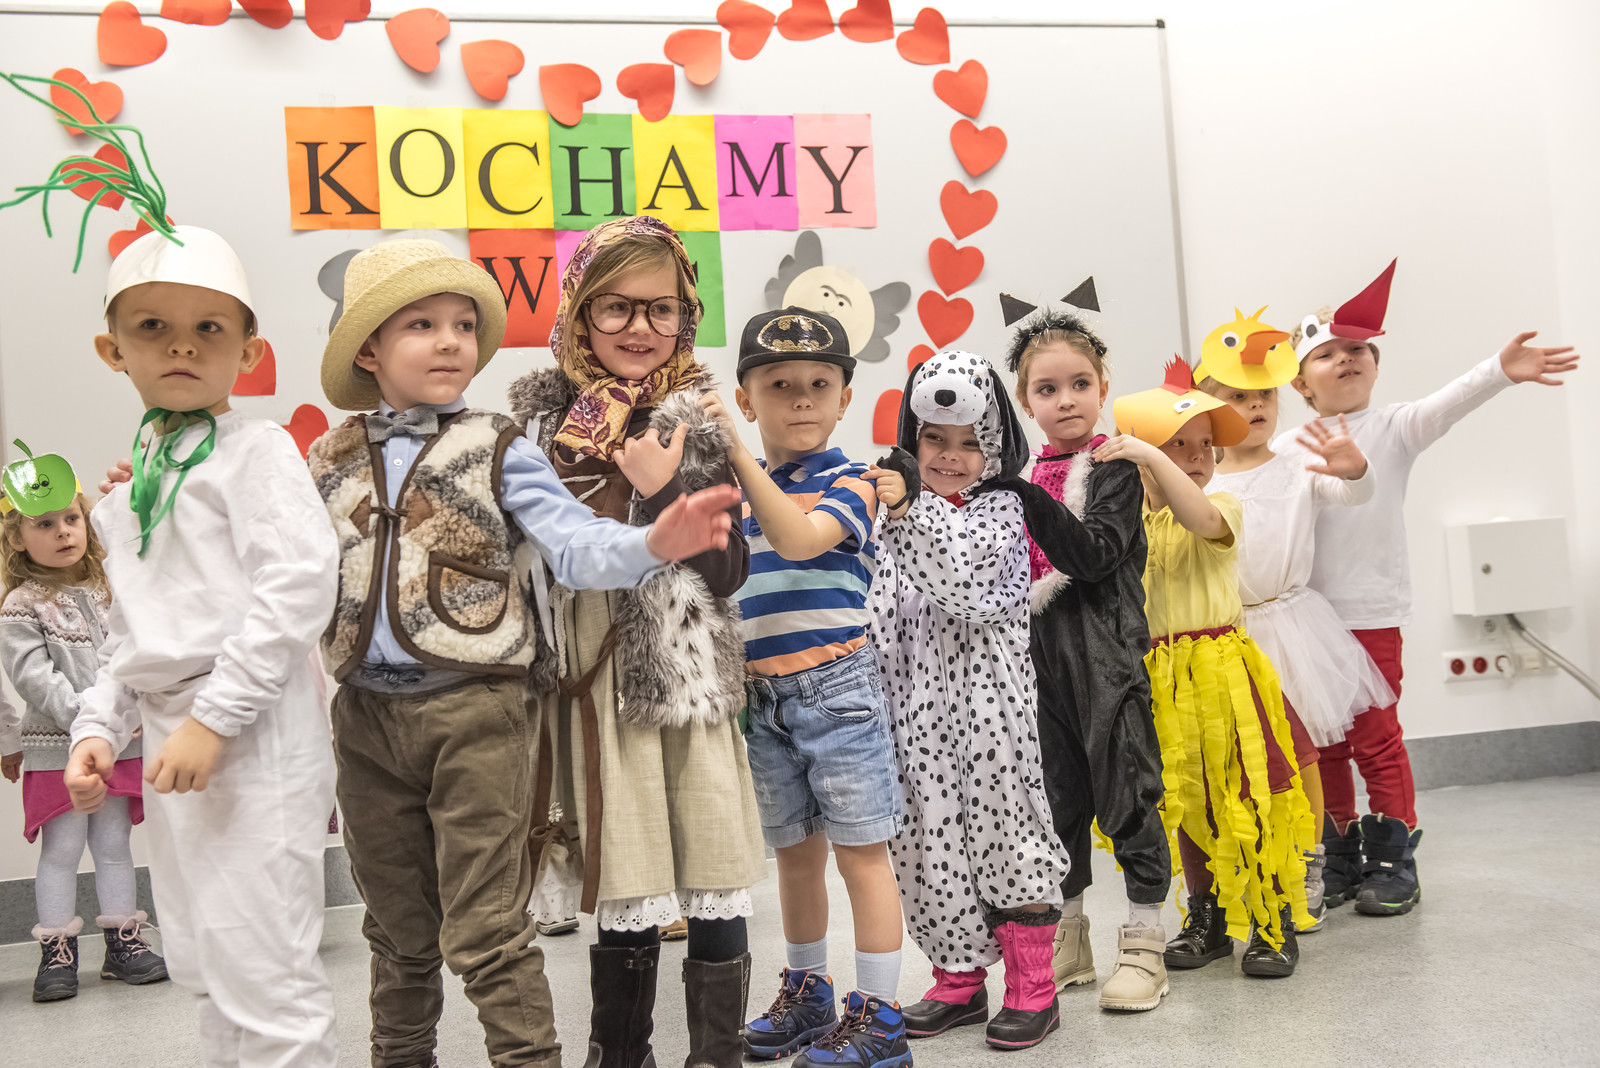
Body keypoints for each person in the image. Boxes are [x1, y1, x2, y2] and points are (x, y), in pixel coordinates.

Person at [314, 231, 746, 1068]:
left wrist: (656, 538)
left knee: (494, 923)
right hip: (382, 713)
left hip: (494, 704)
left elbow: (576, 544)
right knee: (399, 925)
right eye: (421, 325)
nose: (450, 342)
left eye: (462, 325)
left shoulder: (502, 443)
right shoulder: (331, 458)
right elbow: (276, 564)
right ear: (368, 349)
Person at [64, 226, 343, 1064]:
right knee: (204, 963)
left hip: (252, 733)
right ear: (112, 350)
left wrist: (214, 720)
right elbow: (130, 633)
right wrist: (96, 727)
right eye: (153, 326)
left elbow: (297, 587)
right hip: (172, 738)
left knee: (266, 970)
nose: (182, 345)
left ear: (248, 352)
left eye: (209, 328)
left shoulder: (257, 451)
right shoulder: (124, 498)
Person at [506, 216, 766, 1068]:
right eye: (615, 306)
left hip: (682, 674)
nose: (640, 328)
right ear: (579, 313)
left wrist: (660, 495)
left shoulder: (696, 416)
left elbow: (728, 571)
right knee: (627, 867)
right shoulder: (535, 424)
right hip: (587, 676)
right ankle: (620, 1054)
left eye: (662, 308)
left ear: (686, 316)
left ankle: (715, 1056)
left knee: (712, 858)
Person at [1274, 260, 1579, 915]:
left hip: (1371, 612)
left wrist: (1499, 370)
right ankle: (1339, 849)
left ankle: (1394, 856)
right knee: (1324, 742)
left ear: (1375, 364)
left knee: (1374, 737)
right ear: (1300, 382)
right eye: (1327, 353)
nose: (1345, 358)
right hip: (1303, 621)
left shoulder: (1396, 427)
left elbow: (1450, 402)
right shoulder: (1282, 446)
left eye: (1357, 349)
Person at [701, 306, 909, 1068]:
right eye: (779, 385)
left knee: (862, 855)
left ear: (845, 398)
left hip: (836, 691)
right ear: (747, 397)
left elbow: (798, 538)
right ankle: (809, 991)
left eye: (819, 385)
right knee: (793, 854)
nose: (800, 400)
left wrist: (733, 449)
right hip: (761, 698)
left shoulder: (853, 482)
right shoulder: (735, 493)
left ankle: (881, 1018)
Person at [868, 349, 1071, 1050]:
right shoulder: (888, 515)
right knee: (927, 841)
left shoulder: (1001, 508)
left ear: (995, 445)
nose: (951, 457)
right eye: (934, 439)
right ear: (912, 438)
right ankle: (956, 978)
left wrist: (908, 509)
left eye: (969, 442)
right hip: (913, 708)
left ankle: (1033, 987)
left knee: (1008, 833)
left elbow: (965, 585)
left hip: (991, 710)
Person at [1096, 357, 1315, 979]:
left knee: (1250, 794)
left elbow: (1201, 519)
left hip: (1222, 672)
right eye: (1178, 444)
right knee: (1187, 801)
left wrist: (1152, 454)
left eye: (1203, 445)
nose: (1197, 456)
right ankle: (1207, 916)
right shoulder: (1130, 525)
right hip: (1160, 679)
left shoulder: (1222, 502)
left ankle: (1272, 921)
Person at [1196, 310, 1392, 929]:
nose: (1255, 406)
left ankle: (1311, 861)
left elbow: (1350, 493)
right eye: (1238, 397)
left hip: (1294, 627)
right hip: (1233, 633)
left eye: (1264, 395)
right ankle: (1262, 865)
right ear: (1210, 409)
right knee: (1248, 760)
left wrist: (1354, 469)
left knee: (1304, 753)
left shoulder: (1295, 461)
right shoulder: (1200, 479)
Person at [1000, 312, 1172, 1011]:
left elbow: (1095, 555)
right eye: (1047, 389)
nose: (1065, 400)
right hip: (1036, 660)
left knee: (1126, 790)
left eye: (1079, 384)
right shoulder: (1022, 475)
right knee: (1056, 799)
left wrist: (1024, 498)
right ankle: (1068, 939)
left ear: (1103, 387)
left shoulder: (1115, 468)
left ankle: (1145, 939)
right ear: (1025, 400)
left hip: (1105, 654)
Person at [0, 452, 167, 1002]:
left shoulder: (109, 586)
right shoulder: (21, 605)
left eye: (71, 518)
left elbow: (132, 655)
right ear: (18, 538)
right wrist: (95, 725)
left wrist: (122, 722)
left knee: (115, 842)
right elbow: (35, 679)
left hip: (121, 744)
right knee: (62, 848)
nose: (63, 532)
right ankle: (57, 950)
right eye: (44, 524)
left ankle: (125, 943)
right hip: (59, 749)